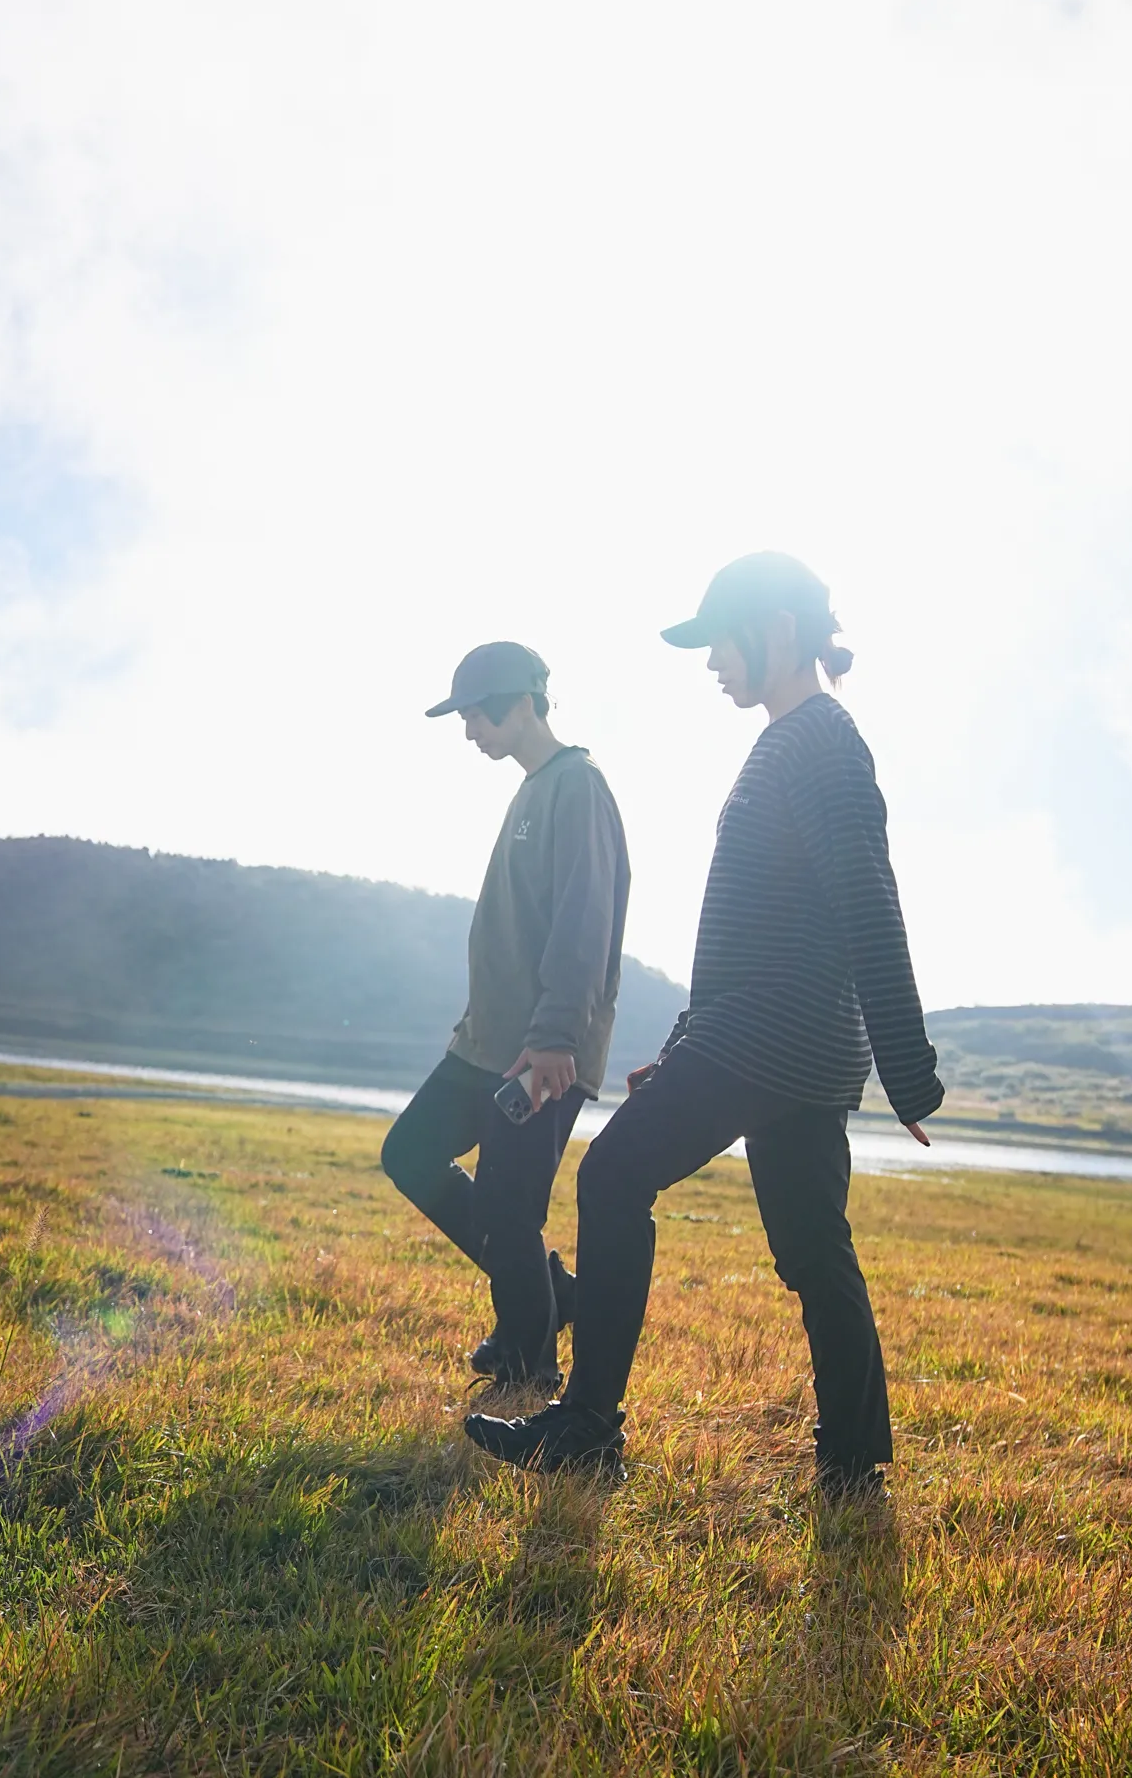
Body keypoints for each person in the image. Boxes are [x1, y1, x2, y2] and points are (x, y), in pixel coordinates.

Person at [466, 554, 943, 1494]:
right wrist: (685, 1045)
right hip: (781, 1037)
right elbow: (749, 930)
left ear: (772, 630)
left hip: (774, 1031)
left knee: (610, 1177)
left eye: (718, 642)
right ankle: (854, 1459)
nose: (711, 663)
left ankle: (591, 1425)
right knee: (812, 1246)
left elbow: (868, 901)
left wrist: (909, 1068)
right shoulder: (796, 739)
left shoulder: (821, 743)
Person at [381, 639, 631, 1389]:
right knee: (410, 1154)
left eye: (479, 713)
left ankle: (527, 1362)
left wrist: (556, 1036)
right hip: (487, 1043)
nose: (470, 731)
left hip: (539, 1051)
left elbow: (584, 919)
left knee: (509, 1209)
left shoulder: (576, 785)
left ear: (525, 701)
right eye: (462, 717)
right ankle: (552, 1298)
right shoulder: (530, 789)